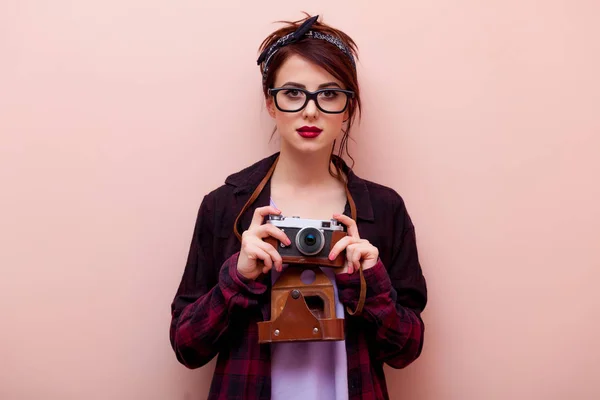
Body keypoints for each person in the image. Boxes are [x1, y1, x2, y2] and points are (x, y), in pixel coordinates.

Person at [169, 13, 427, 400]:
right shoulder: (227, 207)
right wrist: (237, 278)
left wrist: (371, 282)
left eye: (329, 94)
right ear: (270, 103)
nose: (310, 111)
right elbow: (187, 347)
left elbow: (406, 351)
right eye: (292, 93)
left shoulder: (384, 209)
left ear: (348, 106)